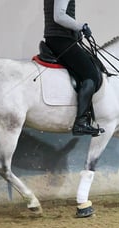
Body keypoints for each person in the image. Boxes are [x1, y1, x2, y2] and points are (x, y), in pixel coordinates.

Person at [43, 0, 104, 137]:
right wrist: (81, 26)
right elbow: (59, 16)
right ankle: (80, 122)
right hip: (61, 40)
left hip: (59, 39)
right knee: (91, 74)